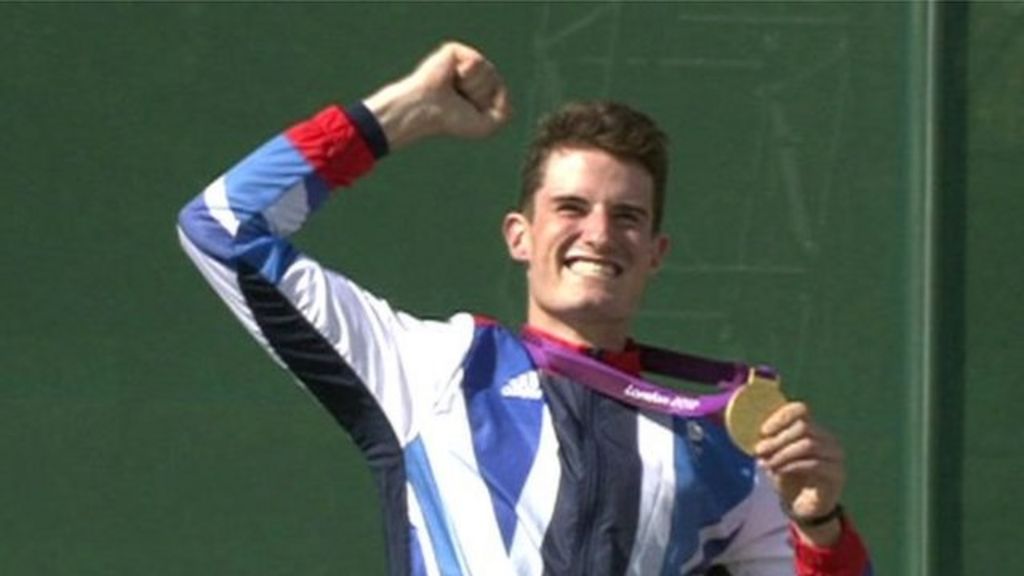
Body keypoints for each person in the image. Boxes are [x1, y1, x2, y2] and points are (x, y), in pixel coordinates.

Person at [178, 41, 871, 575]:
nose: (599, 234)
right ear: (520, 235)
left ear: (656, 252)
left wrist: (820, 524)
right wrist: (402, 114)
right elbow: (222, 227)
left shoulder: (727, 457)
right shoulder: (436, 368)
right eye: (571, 207)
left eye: (627, 217)